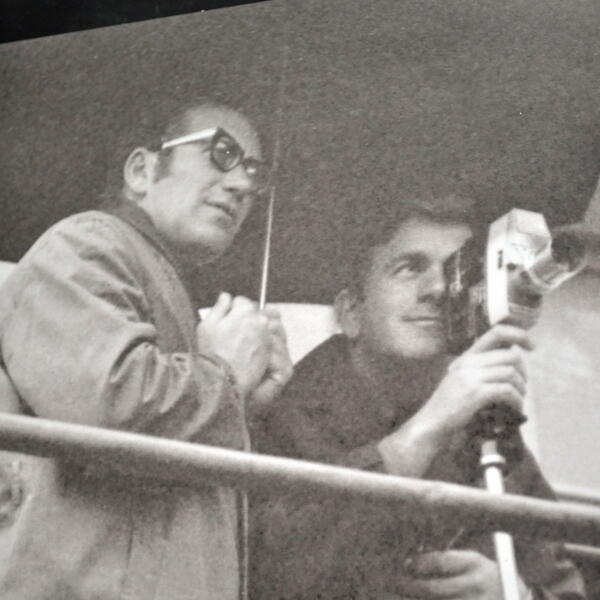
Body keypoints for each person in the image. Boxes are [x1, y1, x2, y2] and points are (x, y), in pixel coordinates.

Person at [0, 99, 293, 599]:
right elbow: (103, 405)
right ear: (141, 170)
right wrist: (224, 375)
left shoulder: (168, 291)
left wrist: (246, 403)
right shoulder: (85, 245)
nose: (242, 185)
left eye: (253, 172)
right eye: (222, 153)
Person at [250, 196, 586, 600]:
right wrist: (426, 430)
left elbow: (564, 587)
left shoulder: (489, 432)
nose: (438, 289)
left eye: (458, 270)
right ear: (351, 311)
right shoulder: (282, 414)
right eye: (410, 268)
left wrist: (514, 593)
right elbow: (268, 571)